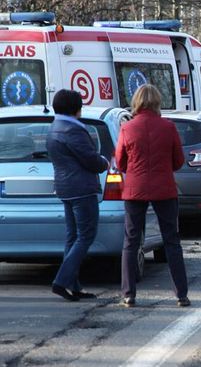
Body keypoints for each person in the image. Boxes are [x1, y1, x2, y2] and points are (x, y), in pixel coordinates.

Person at [115, 84, 190, 307]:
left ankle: (129, 293)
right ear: (157, 102)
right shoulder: (168, 127)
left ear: (137, 102)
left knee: (131, 241)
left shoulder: (127, 128)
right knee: (172, 241)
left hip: (135, 189)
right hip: (164, 188)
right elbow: (178, 161)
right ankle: (181, 294)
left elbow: (120, 162)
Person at [46, 89, 109, 301]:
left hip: (66, 188)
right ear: (77, 108)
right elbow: (90, 159)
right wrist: (104, 162)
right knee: (86, 236)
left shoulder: (54, 127)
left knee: (73, 237)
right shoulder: (73, 130)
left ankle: (73, 286)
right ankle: (61, 281)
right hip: (82, 189)